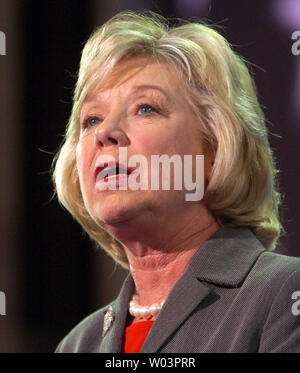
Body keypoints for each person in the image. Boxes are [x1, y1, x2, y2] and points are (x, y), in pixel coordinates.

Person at [53, 10, 300, 353]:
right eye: (91, 119)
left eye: (145, 108)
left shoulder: (283, 296)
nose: (105, 133)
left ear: (214, 148)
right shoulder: (78, 344)